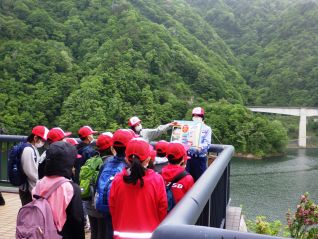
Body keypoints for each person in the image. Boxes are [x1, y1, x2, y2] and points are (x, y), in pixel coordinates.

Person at [109, 138, 167, 239]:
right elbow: (162, 209)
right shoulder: (157, 180)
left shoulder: (117, 180)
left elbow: (113, 208)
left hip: (121, 235)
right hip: (150, 235)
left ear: (126, 159)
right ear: (148, 160)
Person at [32, 141, 85, 239]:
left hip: (41, 232)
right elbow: (77, 220)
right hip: (61, 234)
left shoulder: (39, 183)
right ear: (67, 164)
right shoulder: (71, 188)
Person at [95, 129, 134, 239]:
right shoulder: (129, 166)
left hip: (105, 207)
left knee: (109, 231)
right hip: (121, 209)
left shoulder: (107, 162)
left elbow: (98, 184)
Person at [85, 132, 114, 239]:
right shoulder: (110, 163)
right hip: (101, 206)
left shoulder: (91, 160)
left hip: (89, 203)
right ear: (111, 147)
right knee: (103, 233)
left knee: (94, 233)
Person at [19, 125, 48, 206]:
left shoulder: (32, 148)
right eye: (42, 140)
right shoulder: (28, 150)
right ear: (35, 138)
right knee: (28, 213)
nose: (43, 142)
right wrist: (38, 184)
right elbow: (31, 172)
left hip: (29, 187)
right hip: (27, 189)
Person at [186, 107, 212, 181]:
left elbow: (207, 143)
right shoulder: (189, 126)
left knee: (200, 180)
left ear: (202, 117)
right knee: (188, 179)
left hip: (200, 158)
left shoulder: (207, 129)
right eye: (194, 116)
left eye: (198, 116)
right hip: (189, 157)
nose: (195, 117)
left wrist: (200, 148)